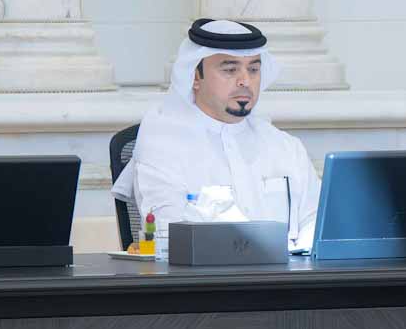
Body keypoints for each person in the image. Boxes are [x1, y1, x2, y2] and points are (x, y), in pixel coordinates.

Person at [111, 19, 319, 249]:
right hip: (205, 272)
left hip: (288, 271)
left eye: (253, 69)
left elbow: (317, 221)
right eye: (230, 70)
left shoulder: (286, 147)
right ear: (195, 77)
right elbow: (171, 238)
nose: (245, 81)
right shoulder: (163, 145)